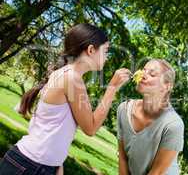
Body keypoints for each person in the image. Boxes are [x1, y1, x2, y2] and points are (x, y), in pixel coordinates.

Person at [0, 23, 131, 175]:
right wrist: (112, 88)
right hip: (30, 165)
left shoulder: (67, 75)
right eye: (106, 51)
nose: (107, 57)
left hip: (34, 163)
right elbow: (91, 128)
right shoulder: (72, 79)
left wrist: (57, 164)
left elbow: (53, 126)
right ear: (90, 50)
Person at [117, 59, 184, 175]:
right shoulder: (124, 110)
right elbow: (123, 158)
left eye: (152, 74)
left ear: (167, 86)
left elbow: (156, 173)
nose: (143, 75)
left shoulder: (173, 125)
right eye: (143, 70)